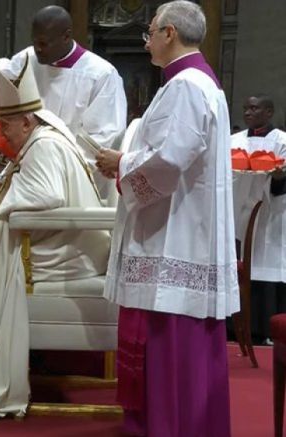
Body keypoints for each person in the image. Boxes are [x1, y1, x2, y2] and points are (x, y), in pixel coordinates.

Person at [0, 54, 109, 418]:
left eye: (6, 125)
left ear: (27, 121)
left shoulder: (42, 144)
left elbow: (45, 196)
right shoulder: (44, 137)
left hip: (64, 256)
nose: (1, 133)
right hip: (71, 242)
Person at [95, 2, 238, 435]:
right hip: (183, 231)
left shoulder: (187, 86)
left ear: (169, 33)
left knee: (172, 347)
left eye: (150, 33)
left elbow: (169, 159)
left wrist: (120, 165)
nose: (147, 41)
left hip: (175, 240)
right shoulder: (196, 83)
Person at [0, 5, 127, 196]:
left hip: (72, 184)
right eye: (35, 41)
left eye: (44, 43)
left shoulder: (101, 75)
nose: (38, 49)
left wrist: (56, 169)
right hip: (29, 174)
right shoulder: (29, 59)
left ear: (66, 37)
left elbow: (103, 138)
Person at [231, 94, 286, 345]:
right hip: (238, 210)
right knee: (239, 263)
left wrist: (277, 178)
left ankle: (263, 329)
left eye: (254, 108)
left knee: (266, 261)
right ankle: (235, 328)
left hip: (271, 213)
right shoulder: (235, 140)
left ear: (269, 111)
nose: (248, 113)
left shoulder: (282, 141)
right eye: (246, 108)